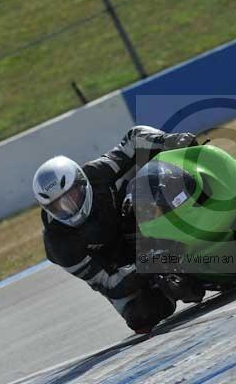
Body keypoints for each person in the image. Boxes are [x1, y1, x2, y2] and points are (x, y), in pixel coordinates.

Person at [32, 125, 199, 333]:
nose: (69, 208)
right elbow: (109, 284)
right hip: (120, 264)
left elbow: (133, 139)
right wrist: (147, 263)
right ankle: (172, 282)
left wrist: (169, 140)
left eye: (71, 196)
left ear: (82, 182)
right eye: (58, 206)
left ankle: (199, 216)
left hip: (136, 221)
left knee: (147, 183)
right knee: (141, 317)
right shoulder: (59, 245)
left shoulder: (97, 173)